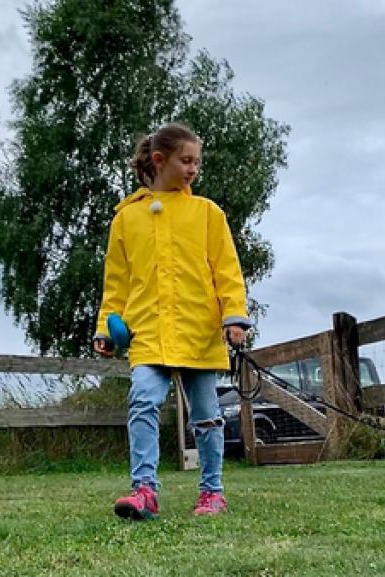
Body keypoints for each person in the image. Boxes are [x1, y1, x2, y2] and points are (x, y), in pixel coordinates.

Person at [94, 122, 250, 520]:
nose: (193, 168)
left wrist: (235, 318)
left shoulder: (208, 213)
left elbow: (227, 270)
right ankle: (144, 490)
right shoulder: (126, 220)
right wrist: (105, 327)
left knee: (207, 416)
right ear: (160, 160)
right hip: (148, 332)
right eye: (186, 160)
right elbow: (116, 282)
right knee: (142, 400)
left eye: (197, 161)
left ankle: (212, 492)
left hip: (199, 331)